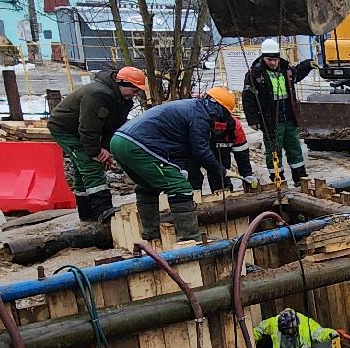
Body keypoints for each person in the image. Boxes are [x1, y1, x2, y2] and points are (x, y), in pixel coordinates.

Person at [108, 87, 235, 242]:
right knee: (179, 187)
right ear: (220, 109)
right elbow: (200, 151)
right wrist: (221, 170)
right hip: (138, 145)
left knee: (148, 186)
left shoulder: (193, 107)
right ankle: (190, 238)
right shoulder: (200, 116)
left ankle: (151, 235)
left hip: (120, 141)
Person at [49, 65, 147, 221]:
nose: (135, 95)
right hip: (66, 129)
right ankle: (103, 209)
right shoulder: (98, 95)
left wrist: (105, 149)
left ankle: (86, 213)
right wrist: (95, 152)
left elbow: (113, 126)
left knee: (81, 167)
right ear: (123, 84)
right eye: (134, 90)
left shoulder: (122, 100)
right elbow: (88, 127)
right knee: (89, 164)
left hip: (84, 130)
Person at [240, 37, 316, 182]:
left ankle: (300, 178)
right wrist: (253, 119)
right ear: (263, 58)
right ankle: (277, 179)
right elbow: (248, 99)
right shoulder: (255, 75)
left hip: (288, 117)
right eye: (270, 60)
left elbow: (296, 74)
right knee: (273, 151)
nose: (273, 63)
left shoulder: (285, 69)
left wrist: (307, 65)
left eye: (275, 59)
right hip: (271, 120)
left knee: (295, 148)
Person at [252, 308, 338, 348]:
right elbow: (259, 330)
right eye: (286, 331)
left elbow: (320, 333)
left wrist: (331, 334)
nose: (289, 332)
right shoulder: (274, 323)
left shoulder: (307, 324)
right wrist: (248, 343)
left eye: (291, 330)